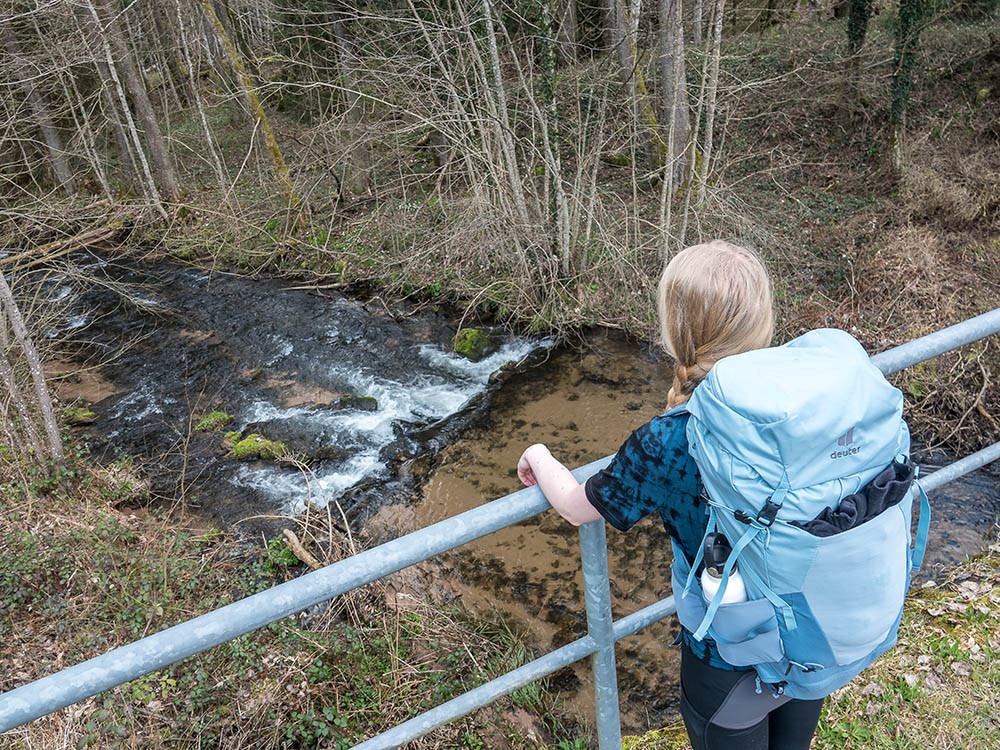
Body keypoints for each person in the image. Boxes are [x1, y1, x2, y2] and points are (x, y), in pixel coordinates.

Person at [515, 241, 825, 750]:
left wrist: (540, 453)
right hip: (810, 632)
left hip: (728, 654)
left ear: (676, 329)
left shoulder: (669, 437)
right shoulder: (804, 399)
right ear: (763, 321)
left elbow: (575, 506)